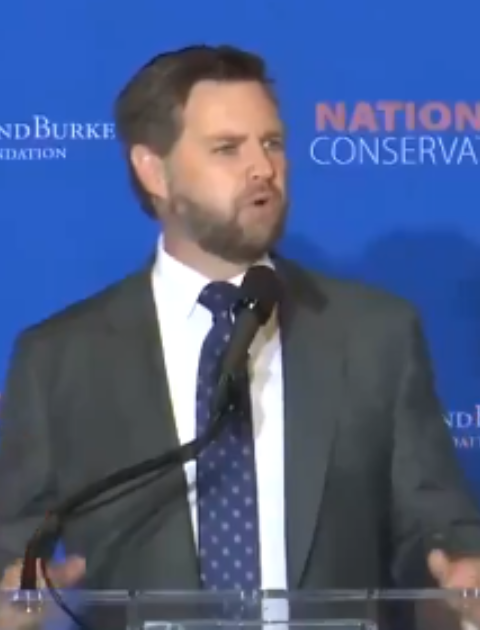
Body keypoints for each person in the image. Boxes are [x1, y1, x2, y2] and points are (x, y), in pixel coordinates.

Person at [1, 44, 480, 606]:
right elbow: (12, 547)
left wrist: (457, 569)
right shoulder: (60, 359)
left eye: (272, 143)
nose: (264, 169)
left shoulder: (376, 335)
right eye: (228, 148)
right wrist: (14, 592)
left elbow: (435, 527)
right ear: (153, 170)